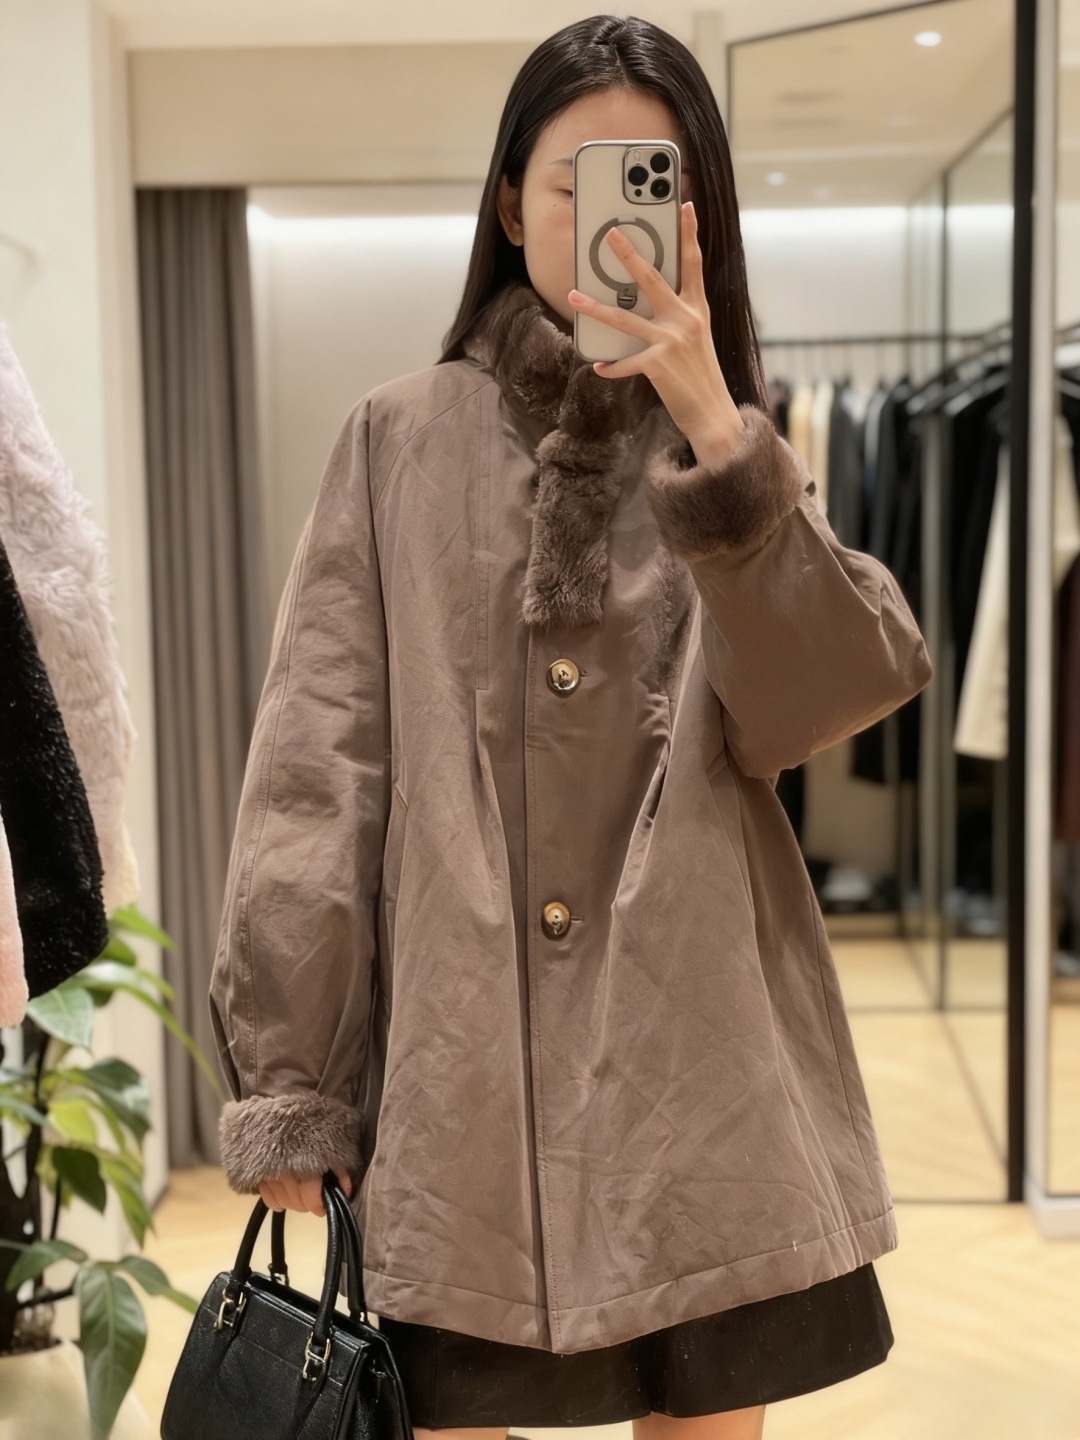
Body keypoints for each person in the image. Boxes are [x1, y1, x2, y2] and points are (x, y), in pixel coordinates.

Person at [208, 15, 932, 1440]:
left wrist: (723, 441)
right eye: (580, 179)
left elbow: (821, 700)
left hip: (703, 1057)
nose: (616, 218)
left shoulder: (732, 449)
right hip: (464, 1073)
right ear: (509, 206)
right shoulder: (396, 438)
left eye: (658, 183)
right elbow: (317, 765)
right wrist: (296, 1078)